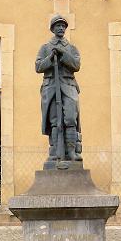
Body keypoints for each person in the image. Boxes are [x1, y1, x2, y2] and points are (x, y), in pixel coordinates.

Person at [35, 14, 82, 162]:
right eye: (58, 26)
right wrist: (50, 58)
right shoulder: (45, 48)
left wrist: (63, 54)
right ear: (52, 28)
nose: (61, 28)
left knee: (70, 118)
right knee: (54, 120)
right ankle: (55, 152)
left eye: (63, 26)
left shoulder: (72, 48)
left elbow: (76, 65)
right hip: (51, 86)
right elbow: (38, 66)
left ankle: (71, 152)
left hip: (68, 85)